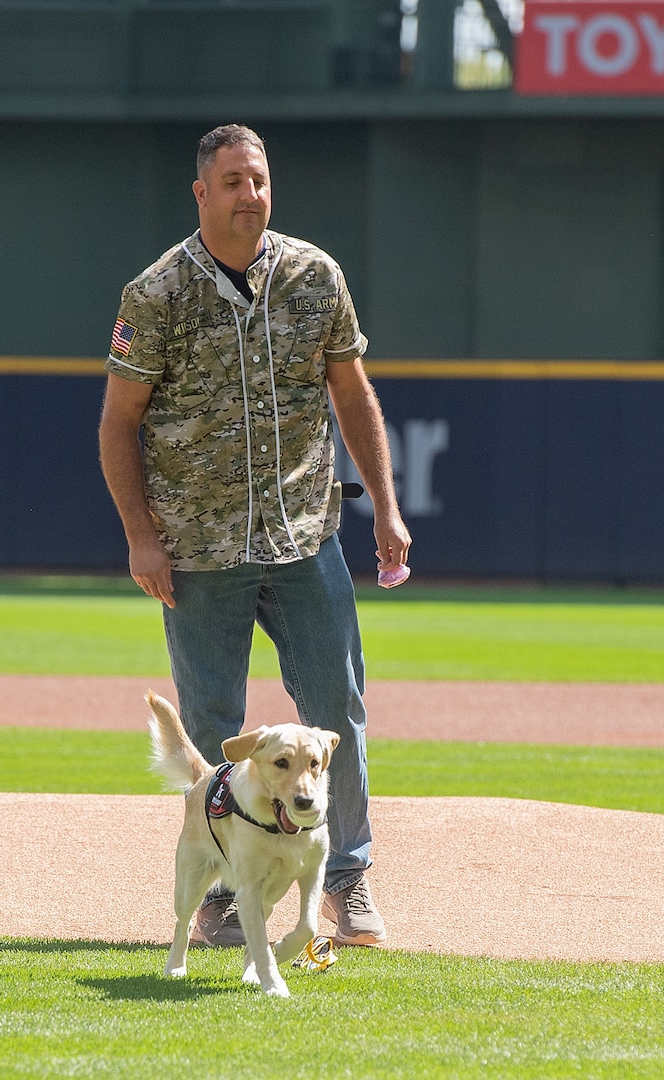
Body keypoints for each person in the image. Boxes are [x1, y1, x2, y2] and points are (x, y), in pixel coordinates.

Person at [98, 124, 410, 947]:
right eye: (232, 180)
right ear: (202, 193)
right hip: (199, 547)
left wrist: (386, 504)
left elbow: (353, 394)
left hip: (305, 532)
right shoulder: (157, 292)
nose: (250, 193)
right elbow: (118, 421)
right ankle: (222, 895)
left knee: (336, 706)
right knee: (211, 720)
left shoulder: (314, 275)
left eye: (260, 178)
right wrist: (140, 535)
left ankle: (348, 875)